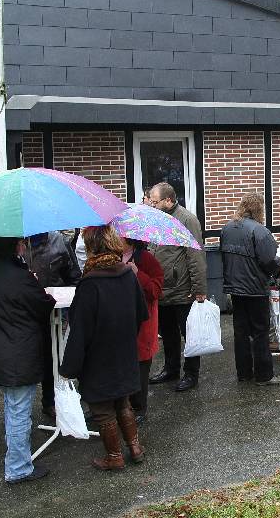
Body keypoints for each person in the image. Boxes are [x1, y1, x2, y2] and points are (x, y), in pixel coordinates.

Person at [0, 237, 56, 483]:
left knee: (12, 407)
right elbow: (43, 306)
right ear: (13, 247)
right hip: (18, 355)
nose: (23, 246)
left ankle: (17, 461)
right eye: (20, 243)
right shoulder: (20, 277)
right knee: (19, 413)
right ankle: (18, 468)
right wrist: (34, 284)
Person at [60, 225, 149, 471]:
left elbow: (80, 329)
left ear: (91, 248)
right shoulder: (127, 273)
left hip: (98, 356)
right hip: (124, 350)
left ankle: (114, 456)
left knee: (102, 408)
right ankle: (135, 448)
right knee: (123, 402)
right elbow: (141, 313)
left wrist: (69, 367)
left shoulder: (90, 283)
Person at [148, 182, 207, 392]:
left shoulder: (187, 220)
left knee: (189, 334)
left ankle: (191, 374)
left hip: (182, 289)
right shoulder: (157, 218)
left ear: (168, 200)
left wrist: (199, 289)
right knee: (168, 333)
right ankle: (171, 369)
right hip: (162, 289)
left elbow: (195, 255)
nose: (152, 205)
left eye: (155, 202)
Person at [220, 193, 280, 385]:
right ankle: (264, 375)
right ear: (259, 209)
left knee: (241, 332)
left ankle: (244, 372)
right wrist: (276, 270)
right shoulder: (259, 230)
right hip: (255, 288)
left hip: (235, 288)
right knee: (260, 332)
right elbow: (269, 260)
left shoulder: (227, 228)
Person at [27, 231, 82, 419]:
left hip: (56, 311)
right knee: (32, 358)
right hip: (26, 312)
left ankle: (53, 401)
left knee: (55, 356)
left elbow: (74, 276)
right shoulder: (17, 243)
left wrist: (69, 304)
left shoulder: (59, 241)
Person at [120, 237, 163, 424]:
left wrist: (138, 274)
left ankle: (139, 407)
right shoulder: (112, 257)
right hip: (120, 321)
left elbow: (155, 291)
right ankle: (121, 405)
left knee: (140, 367)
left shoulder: (146, 259)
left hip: (142, 322)